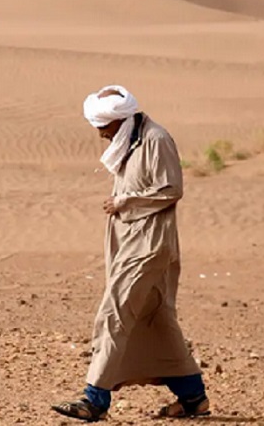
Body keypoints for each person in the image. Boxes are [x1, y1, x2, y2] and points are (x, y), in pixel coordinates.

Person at [51, 86, 210, 422]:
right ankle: (193, 397)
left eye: (103, 126)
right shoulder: (130, 140)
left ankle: (94, 400)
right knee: (156, 320)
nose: (99, 134)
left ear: (122, 119)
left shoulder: (156, 139)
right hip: (130, 241)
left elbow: (171, 189)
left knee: (114, 313)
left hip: (150, 244)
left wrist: (126, 202)